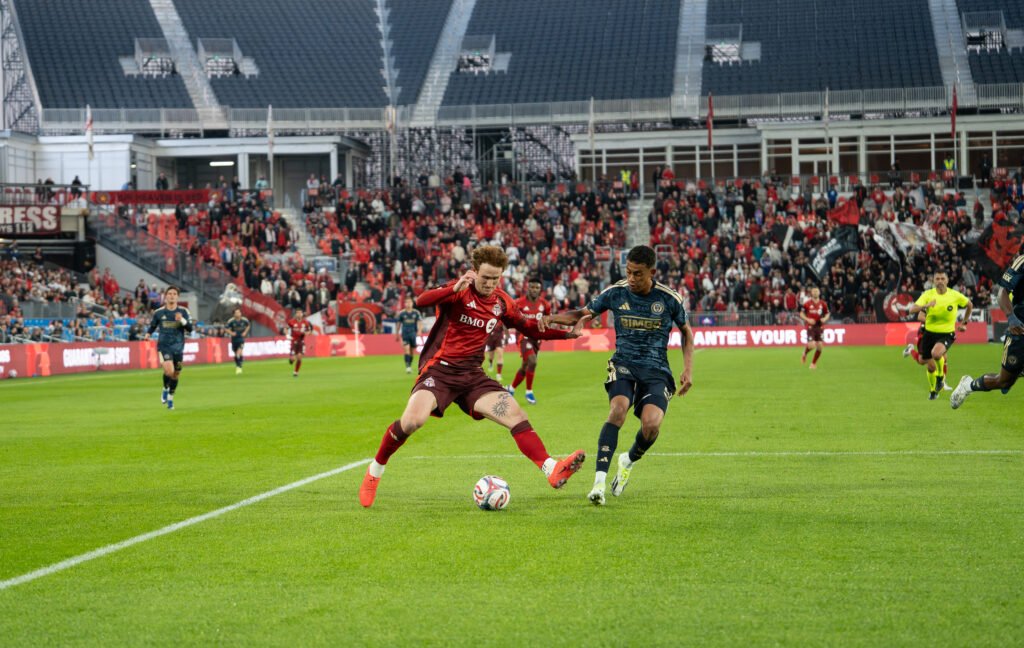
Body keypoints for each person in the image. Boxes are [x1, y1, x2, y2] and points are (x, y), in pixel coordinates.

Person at [358, 245, 588, 508]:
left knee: (516, 415)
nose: (490, 283)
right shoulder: (458, 290)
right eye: (485, 277)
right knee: (412, 421)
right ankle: (375, 471)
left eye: (496, 278)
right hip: (439, 371)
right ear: (474, 271)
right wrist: (452, 289)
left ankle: (552, 468)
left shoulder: (502, 302)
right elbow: (422, 300)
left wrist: (566, 333)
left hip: (472, 376)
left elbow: (529, 327)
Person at [545, 245, 694, 506]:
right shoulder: (616, 292)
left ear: (652, 272)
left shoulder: (669, 299)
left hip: (656, 370)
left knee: (651, 426)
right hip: (623, 364)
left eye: (638, 274)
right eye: (629, 272)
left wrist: (688, 369)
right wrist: (550, 318)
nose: (633, 279)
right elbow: (582, 313)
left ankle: (627, 460)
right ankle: (598, 484)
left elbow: (687, 332)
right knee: (617, 411)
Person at [951, 253, 1024, 408]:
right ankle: (968, 385)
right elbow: (1002, 293)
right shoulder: (1022, 262)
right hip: (1020, 332)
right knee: (1003, 381)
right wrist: (1011, 318)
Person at [908, 271, 972, 400]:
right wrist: (926, 305)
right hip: (929, 333)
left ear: (947, 280)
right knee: (928, 365)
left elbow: (969, 305)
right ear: (934, 281)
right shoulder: (928, 295)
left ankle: (940, 377)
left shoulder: (954, 295)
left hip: (946, 333)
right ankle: (933, 391)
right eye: (937, 279)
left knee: (937, 354)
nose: (940, 281)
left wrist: (964, 323)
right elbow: (911, 310)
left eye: (943, 278)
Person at [146, 286, 193, 410]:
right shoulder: (159, 312)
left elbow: (190, 329)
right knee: (169, 371)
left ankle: (171, 398)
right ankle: (165, 388)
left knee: (176, 374)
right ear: (166, 296)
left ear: (177, 296)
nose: (172, 296)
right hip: (164, 345)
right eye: (169, 293)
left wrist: (181, 320)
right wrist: (148, 334)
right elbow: (153, 325)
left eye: (174, 294)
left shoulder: (184, 311)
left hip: (178, 347)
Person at [506, 276, 551, 404]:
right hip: (523, 337)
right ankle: (529, 392)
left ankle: (511, 388)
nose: (534, 289)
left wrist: (547, 330)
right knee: (533, 361)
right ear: (527, 287)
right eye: (532, 287)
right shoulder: (518, 303)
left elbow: (548, 320)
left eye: (537, 287)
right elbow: (507, 317)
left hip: (536, 339)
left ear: (540, 289)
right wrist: (506, 331)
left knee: (526, 366)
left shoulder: (545, 305)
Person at [902, 312, 952, 390]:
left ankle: (942, 382)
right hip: (926, 333)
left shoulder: (943, 304)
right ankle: (911, 350)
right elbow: (920, 316)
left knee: (944, 357)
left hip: (939, 332)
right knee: (922, 361)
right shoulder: (929, 303)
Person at [799, 287, 830, 369]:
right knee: (812, 345)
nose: (815, 292)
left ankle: (813, 364)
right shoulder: (807, 303)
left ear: (819, 293)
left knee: (820, 346)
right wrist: (808, 319)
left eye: (817, 291)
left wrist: (825, 319)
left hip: (820, 326)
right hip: (811, 326)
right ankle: (804, 353)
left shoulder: (823, 303)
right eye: (814, 291)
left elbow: (827, 313)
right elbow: (801, 314)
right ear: (811, 293)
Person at [395, 297, 423, 374]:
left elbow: (420, 322)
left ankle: (409, 365)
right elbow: (398, 324)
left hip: (413, 334)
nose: (408, 304)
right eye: (406, 302)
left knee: (411, 351)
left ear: (412, 303)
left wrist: (419, 331)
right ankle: (407, 367)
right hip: (405, 334)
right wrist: (397, 334)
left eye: (409, 302)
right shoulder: (402, 313)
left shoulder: (416, 312)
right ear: (405, 304)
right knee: (406, 349)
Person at [284, 308, 313, 377]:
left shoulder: (305, 322)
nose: (299, 314)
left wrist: (306, 333)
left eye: (300, 313)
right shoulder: (291, 322)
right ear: (296, 314)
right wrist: (287, 335)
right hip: (293, 342)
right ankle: (291, 360)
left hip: (301, 342)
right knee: (293, 358)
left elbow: (309, 331)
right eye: (298, 313)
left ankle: (296, 372)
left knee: (300, 357)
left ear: (302, 314)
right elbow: (286, 328)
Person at [225, 307, 250, 375]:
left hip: (241, 339)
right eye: (236, 313)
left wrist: (245, 332)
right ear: (234, 314)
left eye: (239, 312)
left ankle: (239, 367)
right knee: (237, 354)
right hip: (234, 340)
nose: (238, 314)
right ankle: (240, 361)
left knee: (238, 353)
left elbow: (248, 326)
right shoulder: (231, 321)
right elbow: (226, 329)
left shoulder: (244, 320)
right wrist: (231, 333)